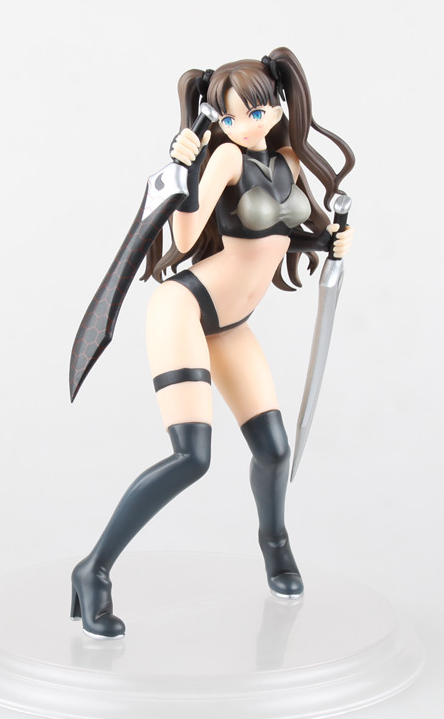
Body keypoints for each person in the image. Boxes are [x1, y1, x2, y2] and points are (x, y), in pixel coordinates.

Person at [71, 47, 355, 639]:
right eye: (231, 116)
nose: (247, 124)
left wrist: (328, 242)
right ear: (218, 121)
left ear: (278, 104)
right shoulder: (225, 157)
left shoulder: (286, 160)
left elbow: (283, 233)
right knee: (192, 458)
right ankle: (93, 570)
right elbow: (184, 234)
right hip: (186, 308)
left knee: (273, 450)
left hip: (230, 326)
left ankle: (274, 544)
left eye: (258, 110)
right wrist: (185, 169)